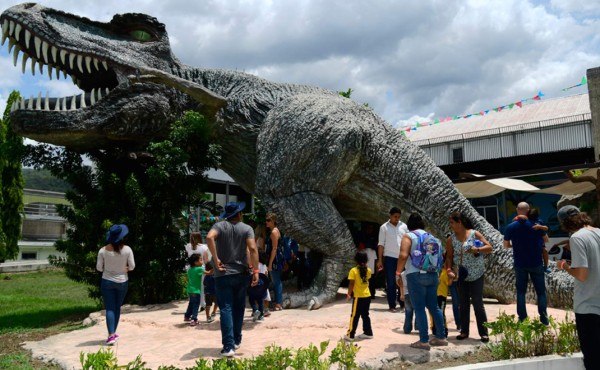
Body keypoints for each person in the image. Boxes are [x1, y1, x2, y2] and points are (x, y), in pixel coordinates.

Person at [206, 201, 259, 357]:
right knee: (238, 308)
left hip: (222, 275)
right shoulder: (246, 228)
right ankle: (236, 340)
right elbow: (253, 248)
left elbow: (209, 237)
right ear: (239, 214)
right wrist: (255, 270)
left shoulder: (220, 226)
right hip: (241, 274)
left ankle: (228, 346)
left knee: (226, 309)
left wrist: (215, 260)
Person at [556, 205, 600, 370]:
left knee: (593, 358)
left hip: (588, 306)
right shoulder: (598, 232)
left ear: (565, 223)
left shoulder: (577, 238)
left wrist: (565, 267)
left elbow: (582, 275)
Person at [396, 213, 448, 350]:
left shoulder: (409, 236)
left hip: (415, 275)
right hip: (433, 275)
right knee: (434, 307)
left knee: (419, 307)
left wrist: (397, 272)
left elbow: (403, 255)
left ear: (409, 225)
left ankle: (424, 341)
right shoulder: (432, 238)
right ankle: (441, 337)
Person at [445, 211, 492, 342]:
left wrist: (477, 250)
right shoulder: (451, 239)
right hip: (462, 275)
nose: (451, 225)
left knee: (478, 303)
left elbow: (489, 247)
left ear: (459, 223)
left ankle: (484, 333)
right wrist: (449, 269)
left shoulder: (474, 234)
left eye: (452, 222)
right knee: (463, 304)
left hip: (477, 274)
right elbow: (449, 257)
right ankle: (464, 331)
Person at [503, 202, 549, 325]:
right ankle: (544, 318)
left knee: (521, 292)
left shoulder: (511, 227)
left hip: (520, 263)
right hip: (536, 262)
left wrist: (516, 245)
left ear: (517, 210)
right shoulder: (537, 224)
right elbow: (546, 240)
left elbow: (506, 245)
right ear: (528, 210)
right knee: (540, 292)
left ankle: (523, 319)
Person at [96, 224, 135, 346]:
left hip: (107, 281)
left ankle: (111, 334)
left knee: (110, 308)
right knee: (117, 307)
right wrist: (125, 269)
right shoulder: (127, 250)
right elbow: (132, 266)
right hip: (122, 281)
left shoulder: (102, 251)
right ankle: (113, 334)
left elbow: (98, 268)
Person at [377, 207, 409, 312]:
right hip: (390, 257)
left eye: (398, 217)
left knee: (403, 280)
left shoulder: (404, 226)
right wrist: (380, 260)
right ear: (390, 216)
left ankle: (403, 303)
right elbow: (381, 244)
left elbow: (409, 240)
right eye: (395, 216)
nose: (396, 219)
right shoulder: (384, 227)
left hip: (402, 257)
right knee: (391, 281)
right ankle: (392, 305)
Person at [344, 250, 374, 341]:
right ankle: (368, 332)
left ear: (356, 260)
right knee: (365, 314)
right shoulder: (368, 270)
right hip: (367, 295)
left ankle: (351, 334)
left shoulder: (353, 270)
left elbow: (351, 284)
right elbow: (367, 279)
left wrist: (349, 294)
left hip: (358, 296)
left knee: (354, 315)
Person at [185, 232, 210, 311]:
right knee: (201, 287)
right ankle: (202, 304)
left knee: (192, 285)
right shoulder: (204, 247)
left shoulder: (188, 246)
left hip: (190, 268)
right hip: (200, 268)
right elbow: (206, 260)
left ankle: (192, 303)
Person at [265, 213, 284, 311]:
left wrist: (270, 263)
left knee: (276, 281)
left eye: (268, 220)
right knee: (276, 281)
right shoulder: (274, 231)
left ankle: (278, 303)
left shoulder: (273, 232)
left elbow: (274, 248)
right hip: (276, 257)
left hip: (275, 258)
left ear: (273, 221)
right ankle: (278, 302)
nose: (266, 222)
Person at [358, 223, 379, 298]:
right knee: (363, 274)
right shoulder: (361, 236)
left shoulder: (375, 237)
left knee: (372, 276)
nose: (369, 230)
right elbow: (360, 246)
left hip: (372, 255)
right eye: (368, 228)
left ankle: (372, 293)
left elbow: (375, 245)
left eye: (371, 228)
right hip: (363, 254)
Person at [184, 254, 205, 326]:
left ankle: (187, 316)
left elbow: (187, 279)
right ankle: (194, 319)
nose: (202, 261)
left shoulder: (190, 270)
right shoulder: (199, 269)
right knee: (196, 305)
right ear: (196, 262)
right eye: (200, 259)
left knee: (191, 303)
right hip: (196, 291)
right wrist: (214, 268)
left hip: (190, 290)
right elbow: (208, 273)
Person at [397, 269, 416, 334]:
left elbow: (400, 285)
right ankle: (419, 327)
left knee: (408, 312)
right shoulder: (416, 272)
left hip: (406, 294)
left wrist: (402, 294)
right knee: (418, 311)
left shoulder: (402, 274)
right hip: (416, 293)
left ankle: (407, 329)